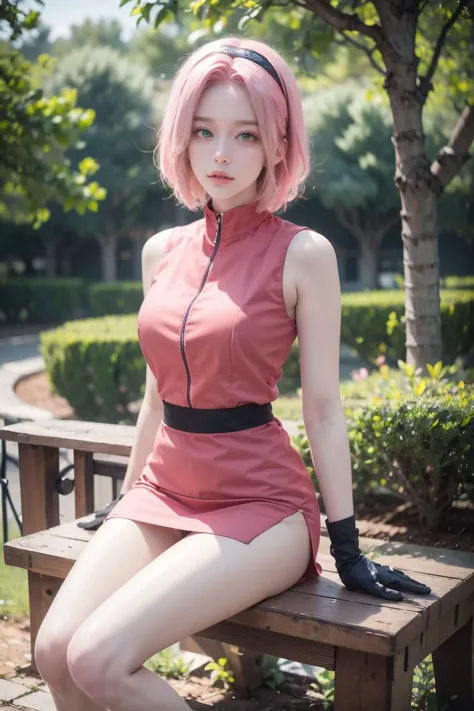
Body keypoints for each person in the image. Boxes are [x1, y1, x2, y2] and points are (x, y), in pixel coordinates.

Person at [33, 37, 431, 711]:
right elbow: (156, 396)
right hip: (165, 492)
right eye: (204, 131)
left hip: (262, 506)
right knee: (54, 650)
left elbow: (324, 409)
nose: (221, 154)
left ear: (277, 144)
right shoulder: (162, 251)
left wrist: (348, 545)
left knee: (98, 658)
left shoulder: (306, 253)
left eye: (246, 135)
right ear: (181, 139)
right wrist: (127, 495)